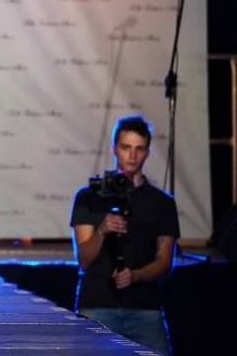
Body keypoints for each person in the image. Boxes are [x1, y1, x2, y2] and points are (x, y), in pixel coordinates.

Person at [70, 115, 179, 355]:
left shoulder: (162, 203)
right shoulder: (88, 197)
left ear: (147, 152)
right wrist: (102, 230)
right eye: (126, 147)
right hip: (97, 304)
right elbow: (84, 260)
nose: (132, 155)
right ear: (114, 149)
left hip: (144, 307)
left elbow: (165, 262)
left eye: (139, 149)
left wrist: (136, 275)